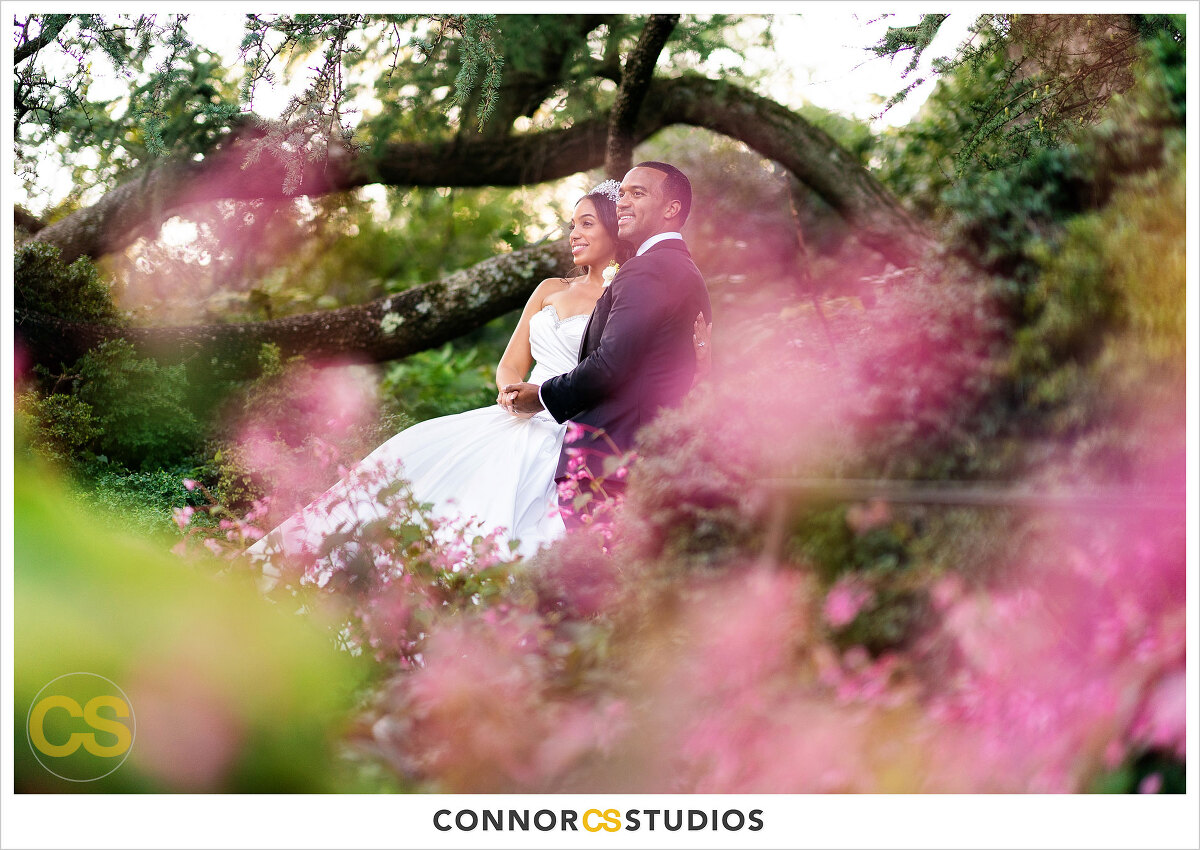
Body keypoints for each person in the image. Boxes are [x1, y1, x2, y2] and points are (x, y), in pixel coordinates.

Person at [246, 180, 710, 570]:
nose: (574, 235)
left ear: (615, 229)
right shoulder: (550, 289)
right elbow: (513, 361)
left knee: (507, 522)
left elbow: (615, 367)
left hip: (568, 422)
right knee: (411, 461)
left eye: (587, 224)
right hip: (523, 413)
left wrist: (548, 401)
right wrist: (512, 394)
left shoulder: (627, 294)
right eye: (573, 225)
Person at [503, 161, 712, 527]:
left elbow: (611, 363)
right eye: (623, 193)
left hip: (606, 459)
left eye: (638, 193)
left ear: (671, 209)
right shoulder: (685, 271)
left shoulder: (647, 269)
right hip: (634, 457)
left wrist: (540, 397)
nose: (623, 202)